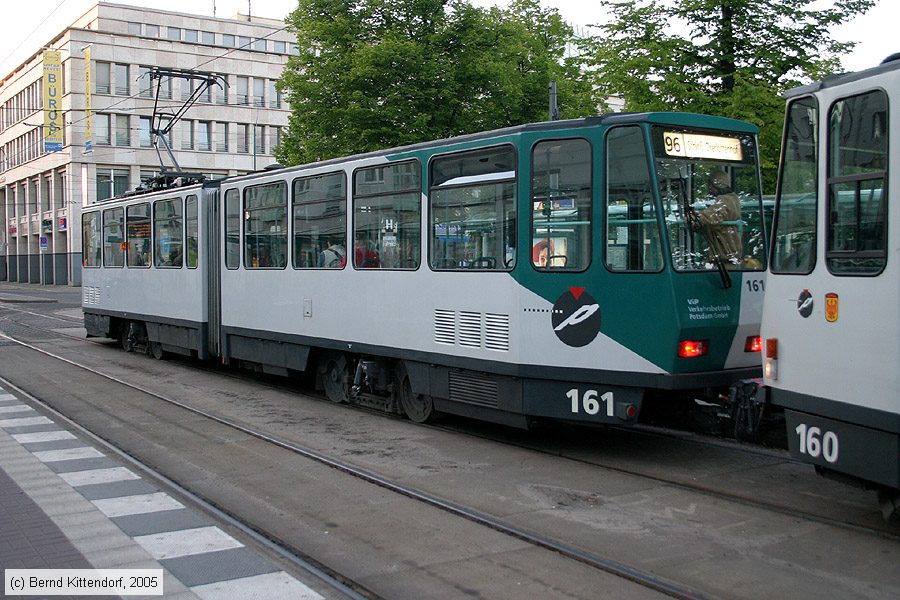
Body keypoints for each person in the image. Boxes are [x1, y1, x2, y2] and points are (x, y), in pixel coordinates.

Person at [692, 170, 742, 265]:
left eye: (710, 185)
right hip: (731, 255)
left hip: (724, 256)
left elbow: (710, 217)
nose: (709, 188)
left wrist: (693, 217)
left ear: (717, 185)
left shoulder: (724, 200)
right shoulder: (734, 199)